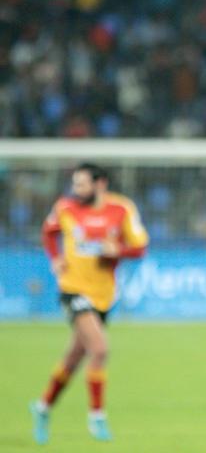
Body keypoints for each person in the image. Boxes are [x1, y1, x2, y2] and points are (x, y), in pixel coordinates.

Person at [29, 162, 149, 444]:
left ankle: (42, 406)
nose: (76, 190)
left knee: (74, 358)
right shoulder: (65, 208)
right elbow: (49, 232)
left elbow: (140, 247)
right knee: (99, 348)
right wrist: (55, 258)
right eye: (75, 184)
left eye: (82, 184)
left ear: (101, 184)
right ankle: (97, 417)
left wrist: (117, 250)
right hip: (73, 289)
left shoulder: (121, 209)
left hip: (104, 295)